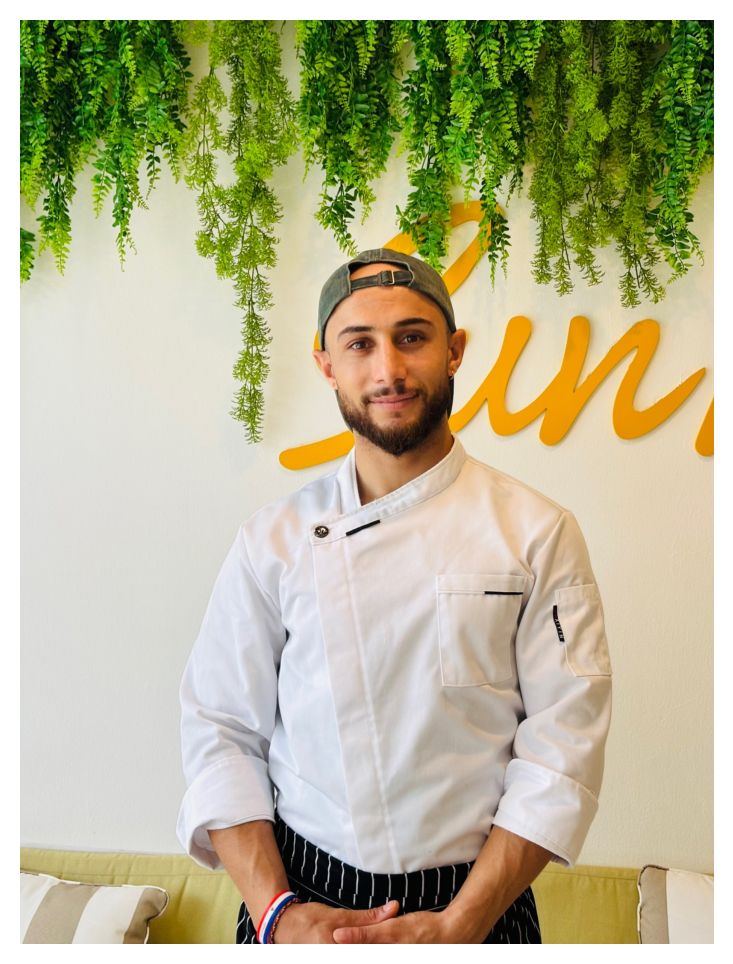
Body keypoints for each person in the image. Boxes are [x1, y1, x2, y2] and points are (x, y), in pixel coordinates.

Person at [177, 249, 612, 944]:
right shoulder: (273, 540)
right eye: (360, 344)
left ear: (454, 351)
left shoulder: (536, 532)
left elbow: (561, 749)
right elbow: (221, 732)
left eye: (411, 337)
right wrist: (275, 914)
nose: (388, 370)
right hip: (298, 898)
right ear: (326, 363)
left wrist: (460, 924)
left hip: (477, 901)